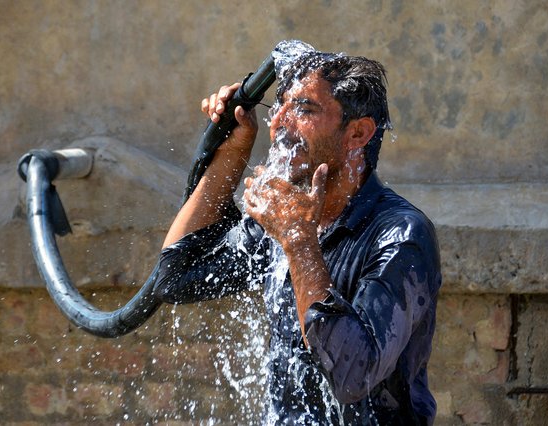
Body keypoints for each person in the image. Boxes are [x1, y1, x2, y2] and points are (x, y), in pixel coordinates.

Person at [155, 50, 442, 425]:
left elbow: (351, 375)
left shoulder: (400, 234)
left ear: (358, 133)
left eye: (304, 109)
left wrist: (300, 243)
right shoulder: (285, 222)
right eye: (278, 106)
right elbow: (175, 278)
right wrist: (232, 152)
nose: (279, 123)